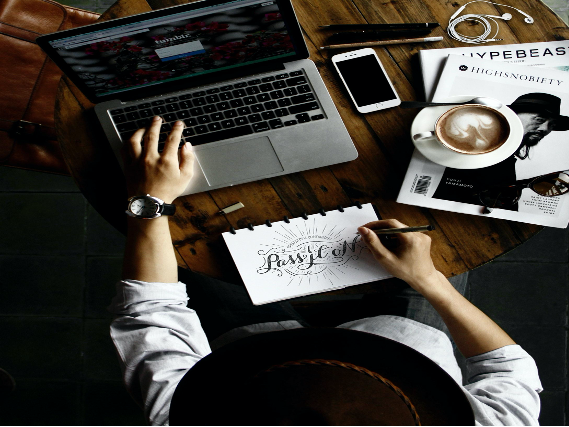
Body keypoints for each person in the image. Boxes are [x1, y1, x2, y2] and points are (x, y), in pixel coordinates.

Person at [109, 116, 543, 425]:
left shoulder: (187, 414)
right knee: (435, 227)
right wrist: (426, 278)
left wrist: (151, 200)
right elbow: (507, 368)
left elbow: (151, 313)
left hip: (249, 346)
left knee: (191, 249)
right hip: (407, 336)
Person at [431, 92, 569, 211]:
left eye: (552, 124)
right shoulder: (478, 148)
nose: (545, 129)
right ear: (513, 115)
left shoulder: (507, 159)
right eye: (539, 119)